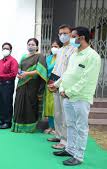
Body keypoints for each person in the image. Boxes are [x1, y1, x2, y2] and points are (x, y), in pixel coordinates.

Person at [53, 27, 101, 166]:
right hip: (67, 95)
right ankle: (69, 149)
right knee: (70, 124)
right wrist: (60, 86)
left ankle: (78, 156)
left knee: (81, 127)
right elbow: (67, 74)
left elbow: (87, 79)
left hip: (80, 97)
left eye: (73, 36)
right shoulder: (74, 54)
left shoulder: (92, 56)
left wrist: (69, 91)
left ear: (82, 38)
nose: (70, 39)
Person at [47, 25, 77, 150]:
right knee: (57, 112)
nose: (62, 36)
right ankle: (58, 135)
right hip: (56, 85)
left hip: (65, 86)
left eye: (65, 33)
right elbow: (56, 68)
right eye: (60, 34)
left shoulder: (74, 50)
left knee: (65, 115)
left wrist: (57, 84)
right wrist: (51, 82)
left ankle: (65, 141)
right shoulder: (60, 50)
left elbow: (69, 71)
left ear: (71, 34)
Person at [12, 38, 47, 133]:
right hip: (21, 83)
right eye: (29, 44)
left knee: (29, 105)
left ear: (37, 46)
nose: (30, 46)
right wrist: (19, 74)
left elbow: (40, 71)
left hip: (32, 84)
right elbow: (19, 68)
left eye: (33, 44)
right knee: (19, 103)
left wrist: (26, 74)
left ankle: (29, 127)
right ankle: (18, 126)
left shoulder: (40, 56)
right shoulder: (24, 56)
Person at [0, 42, 18, 129]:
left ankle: (8, 122)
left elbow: (13, 74)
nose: (5, 50)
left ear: (10, 50)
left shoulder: (13, 61)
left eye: (7, 48)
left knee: (7, 103)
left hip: (8, 85)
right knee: (1, 102)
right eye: (3, 48)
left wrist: (1, 76)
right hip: (0, 84)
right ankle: (2, 120)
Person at [43, 39, 63, 134]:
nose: (53, 48)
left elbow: (60, 71)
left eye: (56, 46)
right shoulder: (48, 58)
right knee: (49, 106)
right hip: (47, 83)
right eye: (52, 46)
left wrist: (54, 83)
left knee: (56, 107)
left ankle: (56, 128)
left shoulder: (62, 58)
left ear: (60, 48)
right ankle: (51, 127)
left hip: (56, 84)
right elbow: (45, 69)